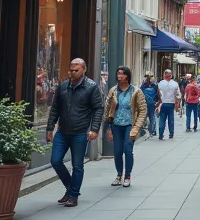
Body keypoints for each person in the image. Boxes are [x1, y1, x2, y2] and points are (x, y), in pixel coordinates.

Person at [45, 57, 103, 208]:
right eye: (70, 70)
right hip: (63, 131)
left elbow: (98, 108)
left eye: (76, 70)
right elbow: (55, 107)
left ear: (83, 70)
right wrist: (50, 127)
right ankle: (71, 189)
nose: (72, 73)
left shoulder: (91, 87)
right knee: (55, 160)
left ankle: (73, 195)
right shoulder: (63, 86)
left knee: (77, 165)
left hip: (80, 132)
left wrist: (94, 129)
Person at [103, 66, 147, 187]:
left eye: (122, 74)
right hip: (116, 125)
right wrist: (108, 127)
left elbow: (142, 110)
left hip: (130, 125)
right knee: (117, 152)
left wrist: (137, 127)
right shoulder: (113, 91)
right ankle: (118, 175)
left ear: (127, 76)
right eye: (118, 74)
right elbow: (107, 110)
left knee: (128, 150)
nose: (119, 76)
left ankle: (127, 175)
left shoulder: (136, 91)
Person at [157, 68, 180, 139]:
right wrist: (177, 104)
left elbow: (158, 94)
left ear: (164, 75)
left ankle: (161, 134)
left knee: (162, 119)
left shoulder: (160, 83)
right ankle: (171, 133)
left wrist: (158, 103)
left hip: (163, 103)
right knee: (171, 119)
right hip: (171, 103)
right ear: (171, 75)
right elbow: (178, 95)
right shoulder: (175, 84)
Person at [140, 72, 159, 137]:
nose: (148, 78)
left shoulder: (153, 85)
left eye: (149, 77)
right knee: (151, 117)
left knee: (151, 117)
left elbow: (157, 95)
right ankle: (151, 131)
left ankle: (151, 131)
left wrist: (157, 102)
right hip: (148, 104)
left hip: (150, 104)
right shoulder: (145, 85)